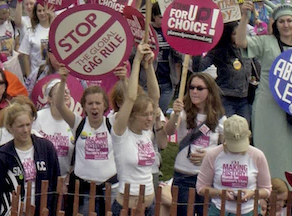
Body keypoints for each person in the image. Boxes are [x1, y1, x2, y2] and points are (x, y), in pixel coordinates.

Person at [234, 4, 292, 215]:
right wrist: (244, 17)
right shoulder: (266, 42)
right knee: (270, 154)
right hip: (269, 107)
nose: (286, 25)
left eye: (289, 21)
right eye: (281, 21)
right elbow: (241, 42)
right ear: (275, 24)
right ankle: (268, 206)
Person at [111, 43, 167, 216]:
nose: (150, 118)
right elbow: (130, 98)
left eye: (151, 114)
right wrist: (136, 62)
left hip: (148, 207)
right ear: (132, 116)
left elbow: (155, 96)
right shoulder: (121, 133)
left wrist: (148, 66)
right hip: (126, 208)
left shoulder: (147, 132)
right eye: (145, 115)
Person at [54, 68, 118, 216]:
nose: (94, 107)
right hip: (83, 190)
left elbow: (130, 104)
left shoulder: (113, 123)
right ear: (84, 106)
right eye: (90, 103)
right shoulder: (78, 123)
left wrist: (124, 81)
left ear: (105, 105)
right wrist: (63, 81)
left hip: (109, 189)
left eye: (98, 103)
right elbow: (60, 105)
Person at [0, 102, 61, 216]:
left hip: (43, 210)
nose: (26, 130)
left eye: (28, 124)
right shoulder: (2, 156)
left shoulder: (46, 148)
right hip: (15, 211)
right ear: (10, 127)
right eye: (20, 126)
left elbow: (56, 181)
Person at [163, 72, 225, 216]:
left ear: (209, 91)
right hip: (183, 175)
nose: (194, 91)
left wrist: (209, 155)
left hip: (206, 177)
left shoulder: (219, 118)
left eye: (199, 88)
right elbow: (169, 131)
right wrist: (175, 115)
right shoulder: (183, 112)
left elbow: (225, 147)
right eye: (191, 87)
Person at [196, 115, 272, 216]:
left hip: (248, 211)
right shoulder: (213, 155)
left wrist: (252, 194)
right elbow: (201, 188)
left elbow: (267, 189)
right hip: (218, 210)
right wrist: (219, 193)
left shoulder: (257, 156)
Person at [199, 22, 253, 122]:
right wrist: (197, 50)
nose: (238, 36)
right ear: (227, 35)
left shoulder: (247, 49)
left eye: (240, 33)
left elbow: (258, 68)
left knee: (244, 128)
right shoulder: (220, 51)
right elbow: (199, 67)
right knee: (227, 127)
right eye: (234, 34)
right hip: (225, 98)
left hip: (244, 98)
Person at [19, 2, 53, 91]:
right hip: (37, 75)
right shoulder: (30, 32)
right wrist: (29, 76)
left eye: (44, 10)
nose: (42, 13)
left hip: (53, 74)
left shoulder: (56, 29)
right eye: (39, 11)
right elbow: (25, 57)